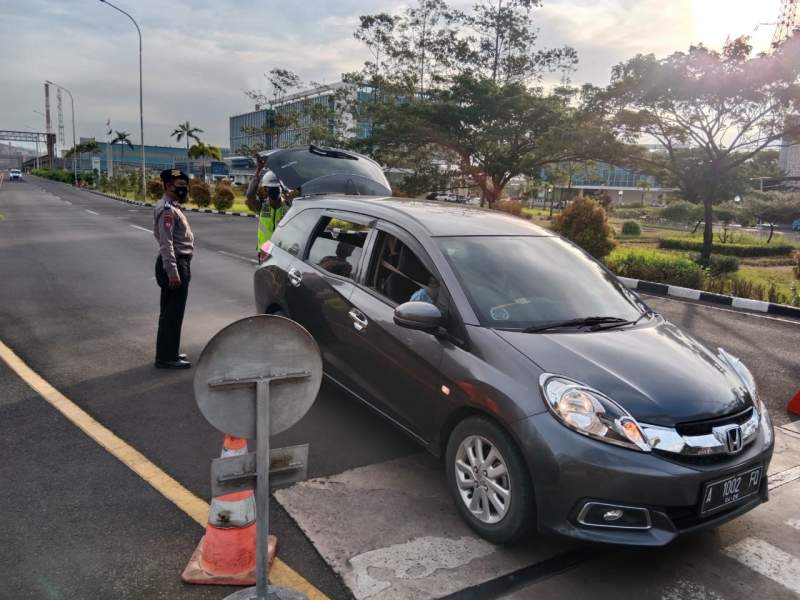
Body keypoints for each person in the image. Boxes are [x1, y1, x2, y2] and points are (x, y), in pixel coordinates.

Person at [153, 169, 194, 369]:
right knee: (172, 313)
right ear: (168, 186)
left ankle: (169, 352)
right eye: (179, 186)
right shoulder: (167, 210)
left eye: (185, 185)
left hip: (177, 262)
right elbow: (166, 243)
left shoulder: (173, 207)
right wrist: (173, 272)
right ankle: (166, 358)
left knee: (171, 312)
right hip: (175, 263)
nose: (183, 189)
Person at [246, 154, 290, 262]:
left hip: (283, 254)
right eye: (271, 188)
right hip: (265, 253)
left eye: (276, 188)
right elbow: (250, 195)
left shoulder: (288, 208)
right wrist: (258, 170)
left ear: (280, 189)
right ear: (265, 190)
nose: (274, 191)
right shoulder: (262, 206)